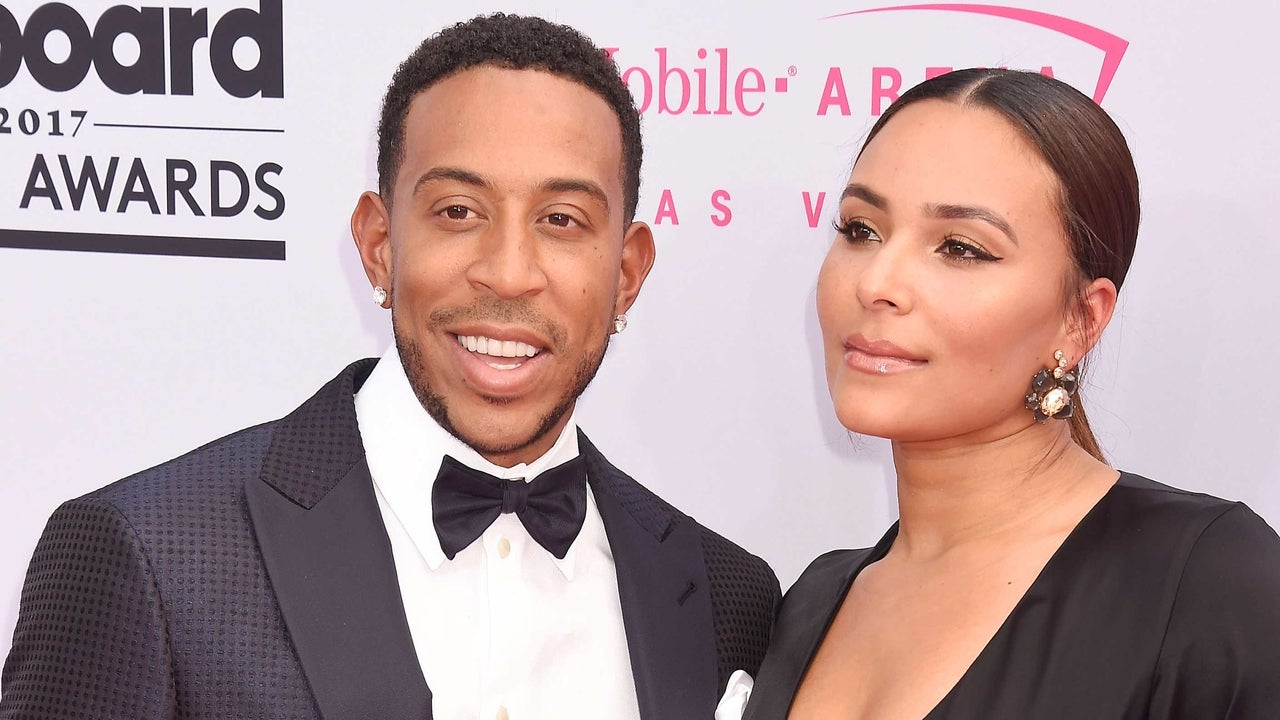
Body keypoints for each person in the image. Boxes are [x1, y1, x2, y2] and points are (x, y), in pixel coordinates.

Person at [0, 14, 780, 720]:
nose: (509, 274)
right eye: (458, 212)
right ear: (378, 245)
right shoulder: (149, 551)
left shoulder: (729, 599)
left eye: (561, 221)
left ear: (627, 273)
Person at [738, 69, 1280, 719]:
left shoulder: (1207, 583)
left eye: (960, 248)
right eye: (861, 230)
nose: (878, 282)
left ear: (1079, 320)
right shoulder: (812, 600)